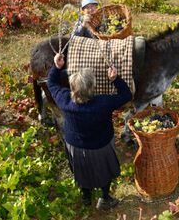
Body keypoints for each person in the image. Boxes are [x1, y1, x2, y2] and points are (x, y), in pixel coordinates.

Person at [47, 53, 132, 210]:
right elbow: (126, 95)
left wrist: (56, 67)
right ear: (92, 88)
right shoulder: (103, 102)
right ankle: (105, 198)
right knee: (104, 171)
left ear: (72, 87)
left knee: (80, 170)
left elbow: (51, 83)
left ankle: (86, 196)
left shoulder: (64, 100)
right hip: (101, 145)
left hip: (75, 145)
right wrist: (115, 80)